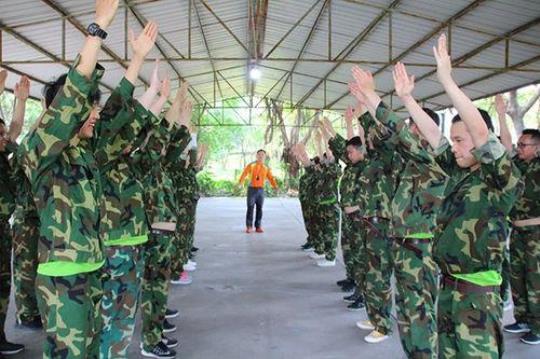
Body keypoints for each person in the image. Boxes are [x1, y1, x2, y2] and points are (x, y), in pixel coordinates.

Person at [20, 1, 120, 357]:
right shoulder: (40, 152)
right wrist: (98, 28)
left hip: (92, 267)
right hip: (63, 275)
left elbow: (121, 117)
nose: (95, 115)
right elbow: (73, 95)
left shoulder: (83, 154)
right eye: (88, 109)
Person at [414, 34, 521, 358]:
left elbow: (480, 132)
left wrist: (447, 80)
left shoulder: (499, 180)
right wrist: (407, 99)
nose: (455, 146)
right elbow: (433, 137)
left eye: (461, 140)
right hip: (447, 287)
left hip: (478, 294)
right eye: (454, 140)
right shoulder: (460, 173)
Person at [351, 62, 448, 357]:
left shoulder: (436, 159)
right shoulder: (411, 161)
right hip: (402, 243)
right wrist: (367, 103)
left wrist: (375, 96)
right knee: (408, 316)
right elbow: (386, 136)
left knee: (420, 317)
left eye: (415, 126)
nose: (409, 131)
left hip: (422, 248)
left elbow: (397, 131)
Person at [94, 22, 158, 358]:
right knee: (109, 320)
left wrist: (155, 92)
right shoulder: (98, 150)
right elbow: (119, 107)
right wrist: (136, 60)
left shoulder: (119, 156)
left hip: (131, 243)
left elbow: (131, 116)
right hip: (113, 244)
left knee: (121, 322)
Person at [504, 127, 540, 345]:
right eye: (519, 144)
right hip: (516, 231)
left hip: (536, 233)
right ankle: (523, 319)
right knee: (516, 276)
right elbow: (506, 147)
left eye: (523, 145)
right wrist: (500, 114)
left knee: (535, 280)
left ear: (537, 148)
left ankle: (538, 326)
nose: (519, 148)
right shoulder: (517, 165)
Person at [0, 71, 27, 356]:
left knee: (3, 287)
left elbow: (16, 128)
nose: (4, 137)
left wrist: (20, 100)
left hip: (2, 230)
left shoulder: (4, 154)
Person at [238, 149, 278, 233]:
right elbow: (244, 173)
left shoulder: (266, 167)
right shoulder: (251, 165)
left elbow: (271, 178)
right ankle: (249, 226)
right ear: (256, 156)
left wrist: (275, 186)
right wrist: (240, 183)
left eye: (262, 155)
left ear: (265, 157)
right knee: (250, 208)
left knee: (260, 208)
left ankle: (258, 227)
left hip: (261, 190)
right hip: (251, 189)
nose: (260, 156)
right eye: (259, 154)